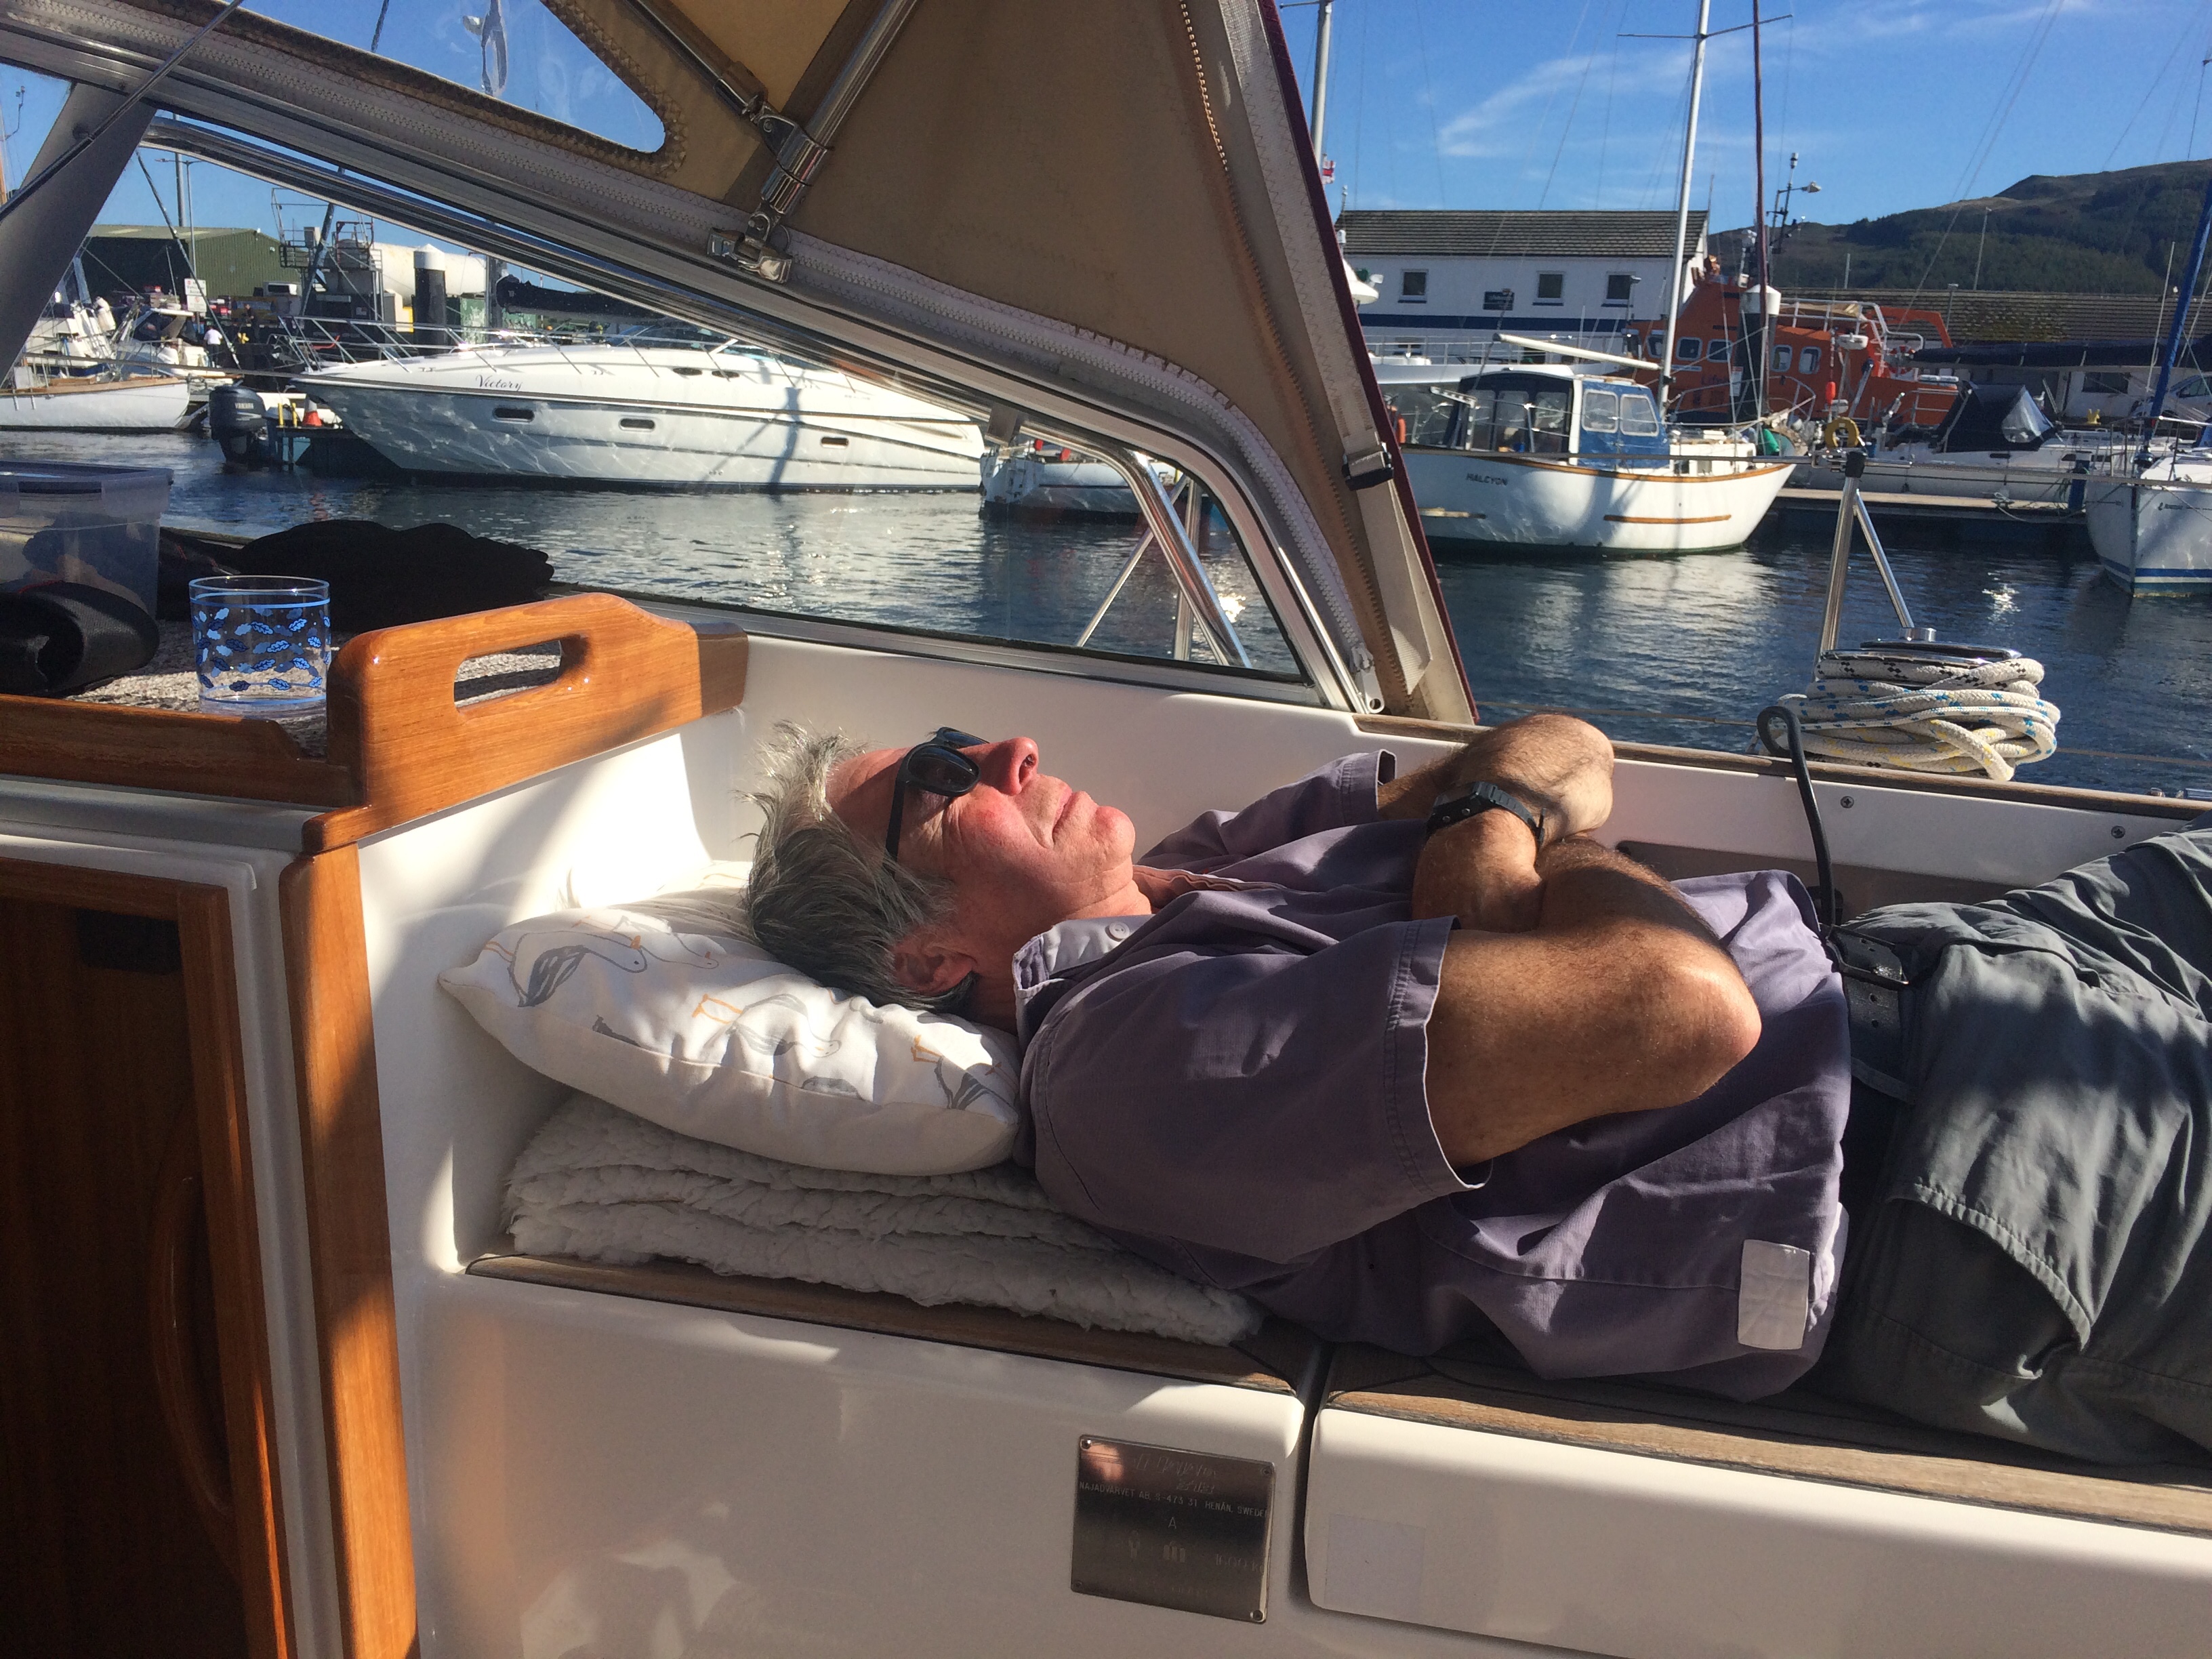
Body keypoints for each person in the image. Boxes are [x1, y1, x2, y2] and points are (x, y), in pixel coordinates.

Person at [741, 718, 2212, 1466]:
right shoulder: (1126, 1077)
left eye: (966, 738)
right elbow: (1676, 1012)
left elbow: (1559, 743)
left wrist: (1492, 823)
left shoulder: (1205, 863)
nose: (1010, 748)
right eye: (945, 781)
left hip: (1977, 965)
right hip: (1971, 1183)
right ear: (934, 962)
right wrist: (1520, 835)